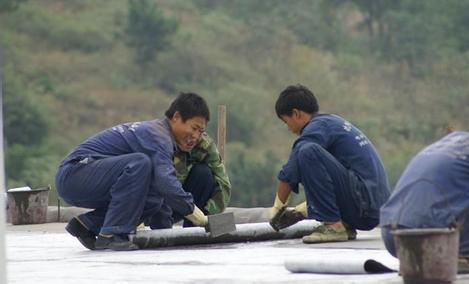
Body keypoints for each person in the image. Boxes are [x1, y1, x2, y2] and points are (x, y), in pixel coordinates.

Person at [55, 92, 231, 251]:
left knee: (152, 199)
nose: (196, 137)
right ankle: (111, 234)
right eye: (194, 128)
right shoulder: (158, 136)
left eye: (201, 132)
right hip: (75, 173)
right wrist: (199, 217)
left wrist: (166, 237)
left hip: (89, 178)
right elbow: (168, 184)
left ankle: (87, 225)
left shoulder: (168, 139)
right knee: (140, 163)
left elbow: (161, 194)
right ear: (176, 117)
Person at [380, 111, 469, 273]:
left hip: (394, 239)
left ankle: (465, 252)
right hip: (427, 238)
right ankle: (463, 256)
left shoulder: (451, 142)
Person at [268, 84, 390, 243]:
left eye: (286, 122)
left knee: (306, 151)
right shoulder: (330, 124)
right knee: (308, 153)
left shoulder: (316, 128)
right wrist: (300, 212)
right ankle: (344, 225)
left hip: (364, 204)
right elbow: (331, 182)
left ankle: (334, 226)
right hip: (372, 209)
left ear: (296, 114)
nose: (289, 129)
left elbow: (290, 172)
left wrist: (277, 208)